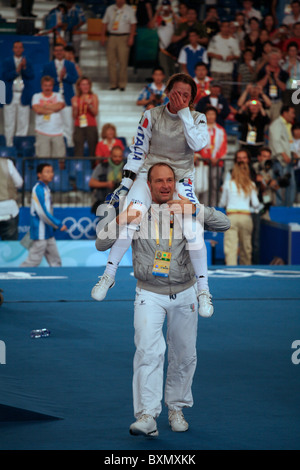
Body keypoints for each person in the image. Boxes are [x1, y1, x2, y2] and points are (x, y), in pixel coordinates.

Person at [94, 162, 231, 436]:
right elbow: (100, 242)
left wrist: (196, 209)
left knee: (184, 355)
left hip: (185, 292)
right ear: (149, 184)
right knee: (148, 352)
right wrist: (121, 217)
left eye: (169, 180)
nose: (165, 185)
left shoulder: (184, 205)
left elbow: (224, 224)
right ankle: (146, 414)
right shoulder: (137, 208)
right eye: (159, 181)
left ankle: (176, 408)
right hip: (148, 292)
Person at [91, 73, 213, 318]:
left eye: (185, 95)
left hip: (180, 179)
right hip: (150, 176)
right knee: (132, 217)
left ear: (191, 99)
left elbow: (198, 145)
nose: (179, 97)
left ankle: (203, 289)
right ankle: (109, 274)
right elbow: (137, 152)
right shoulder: (150, 116)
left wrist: (184, 113)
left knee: (192, 229)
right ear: (167, 91)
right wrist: (125, 185)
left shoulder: (197, 118)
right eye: (176, 92)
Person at [21, 163, 67, 267]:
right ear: (39, 174)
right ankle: (16, 277)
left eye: (51, 171)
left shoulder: (46, 189)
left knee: (56, 261)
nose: (51, 174)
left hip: (48, 232)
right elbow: (42, 212)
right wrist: (58, 224)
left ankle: (58, 281)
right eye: (47, 172)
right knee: (33, 261)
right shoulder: (38, 189)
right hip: (40, 233)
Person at [219, 149, 260, 266]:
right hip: (246, 217)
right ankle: (246, 268)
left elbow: (222, 203)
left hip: (231, 216)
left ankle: (231, 270)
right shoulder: (251, 184)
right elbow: (256, 204)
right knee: (246, 247)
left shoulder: (228, 184)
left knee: (230, 247)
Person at [42, 43, 79, 147]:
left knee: (68, 123)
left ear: (63, 52)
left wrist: (65, 75)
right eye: (56, 50)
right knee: (53, 122)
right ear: (54, 52)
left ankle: (69, 144)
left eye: (61, 50)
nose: (59, 52)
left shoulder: (70, 65)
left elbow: (76, 79)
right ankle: (55, 144)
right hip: (53, 100)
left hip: (67, 98)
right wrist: (58, 78)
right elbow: (45, 80)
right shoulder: (48, 66)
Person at [2, 41, 35, 147]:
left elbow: (31, 76)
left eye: (20, 47)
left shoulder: (27, 61)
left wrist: (24, 68)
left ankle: (20, 146)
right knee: (9, 123)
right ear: (13, 49)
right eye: (16, 47)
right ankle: (9, 146)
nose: (18, 49)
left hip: (23, 95)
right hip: (9, 94)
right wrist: (17, 71)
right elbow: (4, 76)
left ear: (23, 49)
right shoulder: (6, 61)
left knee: (23, 123)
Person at [101, 0, 137, 91]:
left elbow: (133, 24)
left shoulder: (129, 9)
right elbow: (104, 23)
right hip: (112, 36)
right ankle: (113, 84)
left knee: (123, 61)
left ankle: (122, 84)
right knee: (111, 61)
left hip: (124, 37)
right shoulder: (110, 9)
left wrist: (131, 37)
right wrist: (102, 36)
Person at [197, 105, 227, 206]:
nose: (210, 116)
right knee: (204, 186)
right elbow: (198, 144)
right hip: (204, 163)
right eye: (208, 114)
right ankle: (204, 207)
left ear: (216, 116)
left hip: (217, 163)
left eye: (212, 114)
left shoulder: (220, 130)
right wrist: (208, 158)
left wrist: (216, 158)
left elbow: (223, 146)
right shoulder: (200, 129)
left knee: (215, 187)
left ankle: (214, 207)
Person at [269, 105, 297, 206]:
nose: (294, 115)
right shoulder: (277, 124)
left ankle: (288, 208)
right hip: (280, 161)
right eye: (292, 113)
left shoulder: (287, 125)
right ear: (285, 113)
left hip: (287, 161)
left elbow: (287, 142)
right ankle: (280, 208)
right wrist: (284, 154)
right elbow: (275, 141)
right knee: (280, 186)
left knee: (291, 186)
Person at [32, 76, 65, 159]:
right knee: (43, 159)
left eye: (49, 85)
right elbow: (37, 110)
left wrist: (44, 107)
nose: (47, 88)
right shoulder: (36, 96)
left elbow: (60, 106)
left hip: (58, 132)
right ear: (42, 86)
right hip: (42, 132)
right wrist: (53, 108)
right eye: (45, 85)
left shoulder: (58, 95)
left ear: (52, 86)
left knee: (60, 159)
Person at [207, 21, 241, 102]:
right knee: (214, 93)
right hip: (215, 69)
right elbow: (209, 52)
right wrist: (216, 56)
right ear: (221, 28)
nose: (225, 29)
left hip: (228, 71)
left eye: (227, 27)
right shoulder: (215, 39)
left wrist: (232, 57)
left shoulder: (233, 40)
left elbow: (237, 55)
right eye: (224, 27)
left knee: (227, 94)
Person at [89, 145, 125, 214]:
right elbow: (91, 182)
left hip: (122, 203)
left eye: (120, 157)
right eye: (115, 156)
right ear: (110, 155)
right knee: (105, 224)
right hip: (104, 201)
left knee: (121, 224)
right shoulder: (102, 166)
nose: (117, 159)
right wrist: (107, 184)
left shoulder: (127, 167)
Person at [256, 50, 289, 122]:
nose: (275, 61)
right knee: (264, 123)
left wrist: (276, 79)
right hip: (264, 102)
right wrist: (267, 76)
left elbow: (284, 87)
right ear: (269, 60)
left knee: (275, 123)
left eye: (277, 59)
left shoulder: (282, 72)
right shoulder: (262, 71)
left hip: (277, 103)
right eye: (273, 59)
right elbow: (259, 85)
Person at [71, 76, 99, 158]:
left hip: (91, 125)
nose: (85, 86)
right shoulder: (75, 98)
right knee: (78, 148)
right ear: (79, 86)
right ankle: (79, 168)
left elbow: (95, 113)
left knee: (93, 148)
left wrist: (89, 104)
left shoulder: (93, 96)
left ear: (90, 85)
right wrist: (75, 108)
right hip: (78, 125)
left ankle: (93, 168)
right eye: (83, 84)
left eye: (87, 84)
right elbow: (74, 116)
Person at [148, 0, 176, 81]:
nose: (165, 7)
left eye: (167, 5)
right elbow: (151, 26)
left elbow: (180, 24)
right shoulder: (159, 18)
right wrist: (157, 12)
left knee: (173, 69)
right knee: (165, 69)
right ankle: (166, 88)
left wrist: (172, 11)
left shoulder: (173, 17)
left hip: (173, 47)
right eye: (164, 6)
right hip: (163, 48)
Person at [0, 157, 23, 240]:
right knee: (10, 247)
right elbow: (19, 183)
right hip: (9, 210)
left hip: (9, 210)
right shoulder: (7, 163)